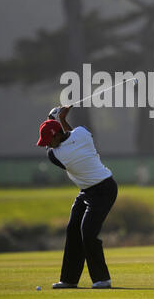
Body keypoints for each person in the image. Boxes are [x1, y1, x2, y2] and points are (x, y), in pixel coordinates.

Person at [36, 106, 118, 289]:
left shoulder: (56, 155)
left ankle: (102, 279)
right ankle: (69, 279)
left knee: (87, 232)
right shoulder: (82, 133)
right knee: (73, 229)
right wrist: (61, 119)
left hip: (104, 189)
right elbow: (71, 136)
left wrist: (54, 117)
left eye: (50, 140)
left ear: (57, 135)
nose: (48, 145)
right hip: (87, 190)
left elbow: (66, 141)